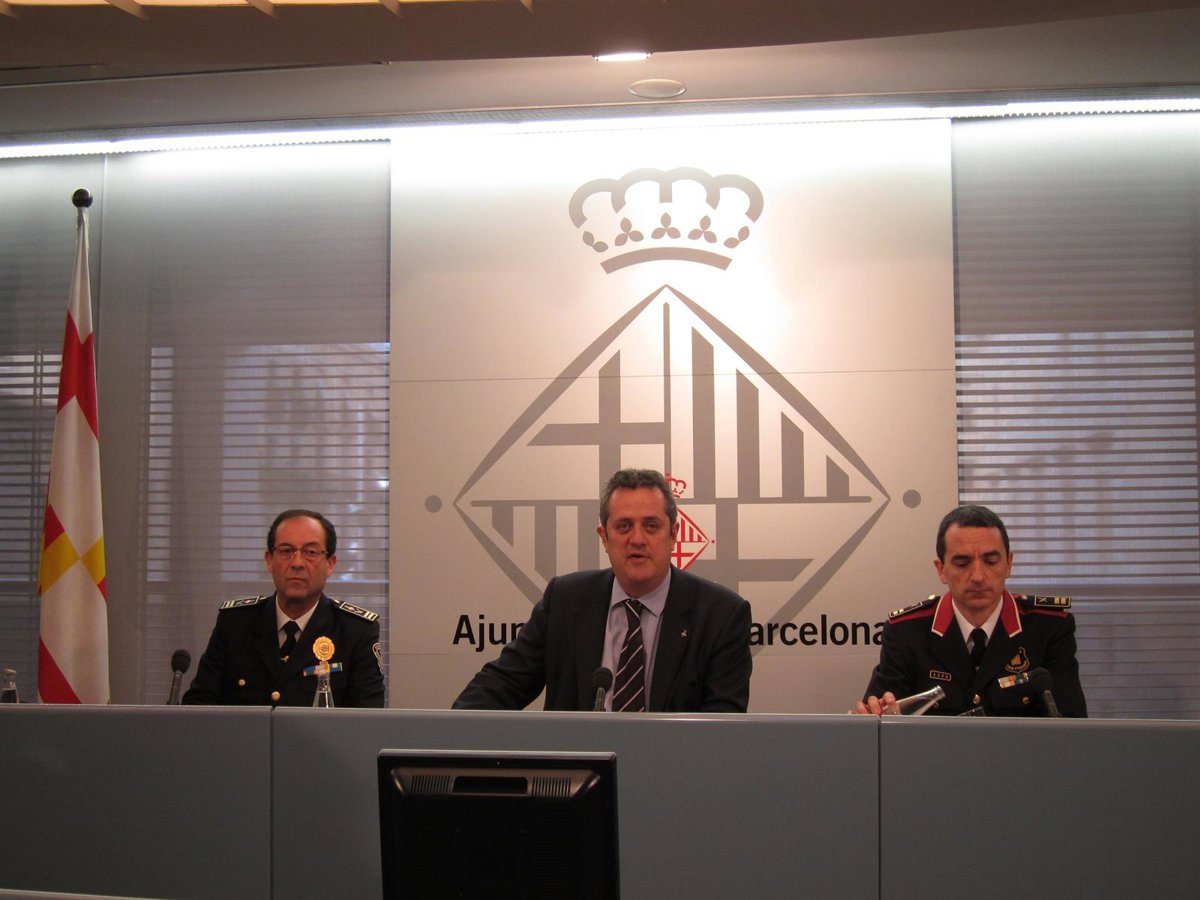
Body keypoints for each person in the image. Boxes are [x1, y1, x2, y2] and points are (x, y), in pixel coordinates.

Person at [453, 468, 753, 712]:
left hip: (675, 768)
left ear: (673, 534)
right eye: (624, 526)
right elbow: (502, 685)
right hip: (578, 767)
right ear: (604, 537)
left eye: (651, 526)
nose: (637, 539)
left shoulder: (721, 615)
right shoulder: (564, 601)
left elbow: (720, 731)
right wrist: (451, 732)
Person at [855, 504, 1086, 717]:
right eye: (962, 563)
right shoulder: (906, 633)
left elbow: (1070, 727)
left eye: (991, 561)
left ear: (1009, 563)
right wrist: (874, 717)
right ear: (941, 569)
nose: (977, 576)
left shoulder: (1049, 627)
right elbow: (880, 724)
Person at [182, 509, 385, 708]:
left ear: (330, 564)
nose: (297, 563)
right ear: (269, 560)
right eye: (286, 551)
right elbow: (198, 707)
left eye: (310, 552)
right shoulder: (235, 623)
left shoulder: (356, 631)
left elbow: (365, 720)